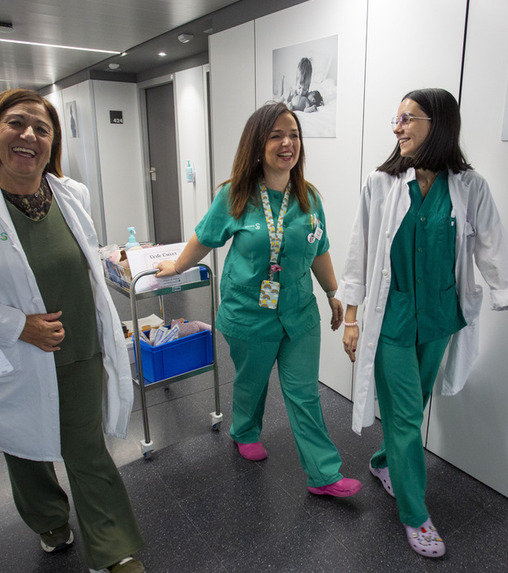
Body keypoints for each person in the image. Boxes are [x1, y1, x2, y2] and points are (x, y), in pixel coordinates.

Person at [0, 89, 146, 573]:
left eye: (42, 129)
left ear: (52, 142)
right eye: (15, 123)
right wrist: (17, 326)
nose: (29, 136)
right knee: (25, 446)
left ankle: (113, 547)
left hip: (81, 346)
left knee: (86, 448)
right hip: (14, 351)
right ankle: (47, 519)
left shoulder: (71, 194)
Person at [337, 88, 508, 558]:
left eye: (408, 118)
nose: (397, 127)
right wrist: (351, 317)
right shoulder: (381, 183)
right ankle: (415, 514)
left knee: (417, 403)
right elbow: (358, 251)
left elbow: (495, 254)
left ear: (438, 124)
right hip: (393, 317)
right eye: (397, 118)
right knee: (407, 415)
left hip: (442, 317)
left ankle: (385, 463)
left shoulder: (470, 187)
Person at [153, 102, 361, 498]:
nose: (288, 143)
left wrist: (333, 292)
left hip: (299, 313)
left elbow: (319, 248)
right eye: (276, 135)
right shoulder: (235, 195)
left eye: (294, 135)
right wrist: (177, 266)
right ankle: (244, 429)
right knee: (251, 382)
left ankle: (323, 474)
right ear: (257, 143)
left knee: (304, 393)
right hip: (250, 312)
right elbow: (205, 236)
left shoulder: (309, 198)